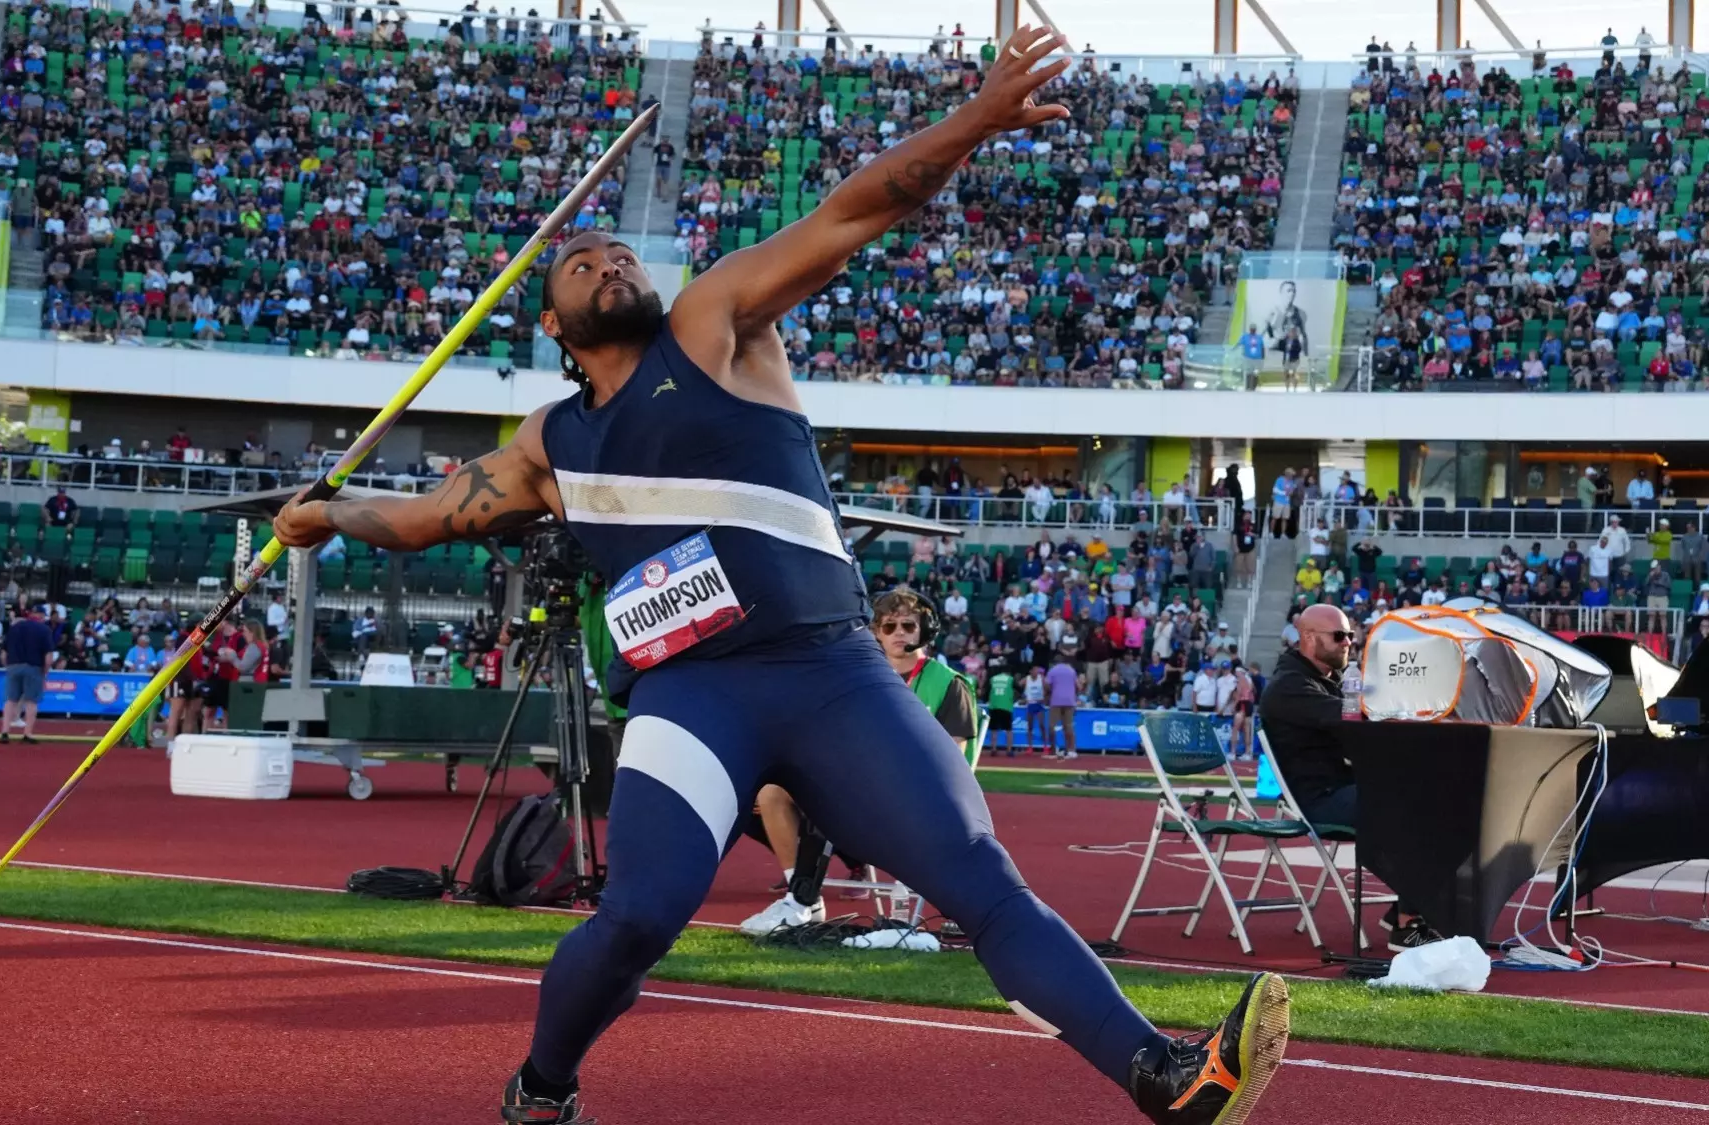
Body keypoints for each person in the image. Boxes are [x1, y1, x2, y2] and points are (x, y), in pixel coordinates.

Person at [272, 27, 1287, 1125]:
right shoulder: (545, 446)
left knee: (981, 881)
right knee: (638, 916)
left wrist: (973, 122)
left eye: (620, 254)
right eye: (583, 264)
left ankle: (1165, 1079)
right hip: (691, 698)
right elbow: (424, 517)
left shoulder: (715, 327)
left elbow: (853, 213)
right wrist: (322, 513)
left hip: (833, 672)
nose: (612, 262)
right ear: (558, 330)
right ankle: (541, 1088)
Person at [736, 587, 977, 935]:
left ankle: (801, 898)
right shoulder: (860, 676)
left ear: (925, 630)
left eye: (908, 626)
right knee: (773, 790)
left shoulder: (948, 683)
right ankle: (802, 896)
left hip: (921, 797)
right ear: (875, 632)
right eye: (889, 626)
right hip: (865, 790)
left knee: (831, 795)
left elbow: (953, 762)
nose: (898, 634)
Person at [1258, 605, 1437, 951]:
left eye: (1351, 636)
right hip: (1319, 799)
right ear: (1308, 638)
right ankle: (1407, 923)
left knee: (1434, 796)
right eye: (1339, 636)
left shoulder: (1329, 680)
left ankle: (1410, 906)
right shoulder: (1289, 687)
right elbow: (1351, 718)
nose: (1348, 644)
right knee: (1414, 807)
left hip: (1344, 788)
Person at [2, 605, 54, 744]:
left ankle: (5, 731)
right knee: (31, 701)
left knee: (11, 700)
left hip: (14, 665)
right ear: (42, 616)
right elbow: (48, 655)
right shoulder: (44, 630)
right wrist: (45, 671)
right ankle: (27, 733)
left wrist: (8, 666)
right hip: (33, 666)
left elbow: (3, 652)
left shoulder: (15, 628)